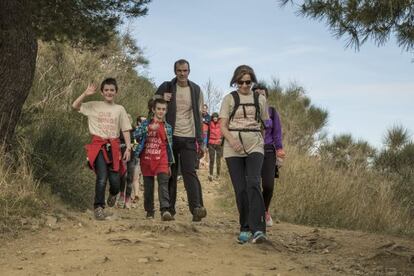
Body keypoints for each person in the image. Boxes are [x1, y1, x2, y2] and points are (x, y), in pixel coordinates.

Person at [219, 65, 269, 244]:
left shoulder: (260, 99)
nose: (245, 85)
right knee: (240, 188)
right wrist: (232, 141)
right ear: (235, 82)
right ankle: (245, 227)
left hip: (255, 144)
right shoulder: (229, 99)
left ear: (252, 81)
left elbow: (265, 123)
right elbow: (222, 125)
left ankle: (259, 229)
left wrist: (269, 145)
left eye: (248, 82)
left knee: (254, 183)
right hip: (233, 147)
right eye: (241, 82)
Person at [72, 78, 132, 220]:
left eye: (112, 90)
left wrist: (128, 148)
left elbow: (125, 129)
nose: (109, 92)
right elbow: (75, 106)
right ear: (102, 92)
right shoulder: (94, 105)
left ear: (116, 92)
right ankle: (98, 207)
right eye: (106, 90)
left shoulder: (120, 109)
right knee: (102, 177)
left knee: (116, 181)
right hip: (98, 146)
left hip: (114, 147)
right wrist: (85, 94)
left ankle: (113, 193)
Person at [155, 59, 207, 222]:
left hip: (189, 137)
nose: (182, 73)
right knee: (170, 173)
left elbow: (199, 116)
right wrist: (164, 98)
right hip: (170, 137)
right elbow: (153, 103)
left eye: (185, 70)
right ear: (175, 71)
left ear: (189, 71)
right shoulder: (167, 86)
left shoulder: (196, 89)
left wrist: (201, 141)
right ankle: (169, 210)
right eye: (179, 70)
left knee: (189, 172)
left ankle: (197, 208)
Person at [134, 98, 174, 221]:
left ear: (166, 111)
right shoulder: (146, 124)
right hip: (146, 159)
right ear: (153, 109)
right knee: (148, 186)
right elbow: (136, 135)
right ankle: (149, 211)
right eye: (159, 109)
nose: (161, 111)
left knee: (163, 183)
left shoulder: (168, 127)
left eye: (163, 109)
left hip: (162, 158)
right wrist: (149, 129)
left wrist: (169, 164)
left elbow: (169, 146)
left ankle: (165, 210)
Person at [252, 83, 286, 227]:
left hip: (268, 151)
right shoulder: (247, 112)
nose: (260, 97)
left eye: (263, 94)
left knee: (268, 185)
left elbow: (277, 133)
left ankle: (265, 211)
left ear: (266, 97)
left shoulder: (272, 111)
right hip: (251, 150)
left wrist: (280, 151)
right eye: (257, 94)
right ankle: (254, 213)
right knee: (253, 184)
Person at [117, 114, 138, 209]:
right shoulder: (119, 131)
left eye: (129, 120)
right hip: (121, 157)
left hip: (132, 157)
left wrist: (135, 146)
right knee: (123, 176)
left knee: (130, 178)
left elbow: (137, 143)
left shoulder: (135, 131)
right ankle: (121, 195)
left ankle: (128, 199)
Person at [207, 112, 222, 181]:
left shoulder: (221, 124)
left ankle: (218, 175)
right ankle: (210, 174)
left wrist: (222, 142)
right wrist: (207, 144)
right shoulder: (210, 124)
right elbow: (208, 133)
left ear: (218, 118)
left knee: (218, 160)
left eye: (216, 117)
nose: (215, 118)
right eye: (214, 117)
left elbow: (223, 133)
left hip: (219, 143)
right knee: (212, 159)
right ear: (212, 118)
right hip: (211, 143)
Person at [200, 104, 211, 168]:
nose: (204, 110)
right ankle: (201, 162)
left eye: (205, 108)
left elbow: (210, 126)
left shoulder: (209, 117)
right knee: (200, 148)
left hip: (206, 134)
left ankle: (206, 162)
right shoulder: (199, 116)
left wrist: (205, 121)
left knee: (206, 149)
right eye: (203, 108)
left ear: (207, 109)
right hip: (199, 134)